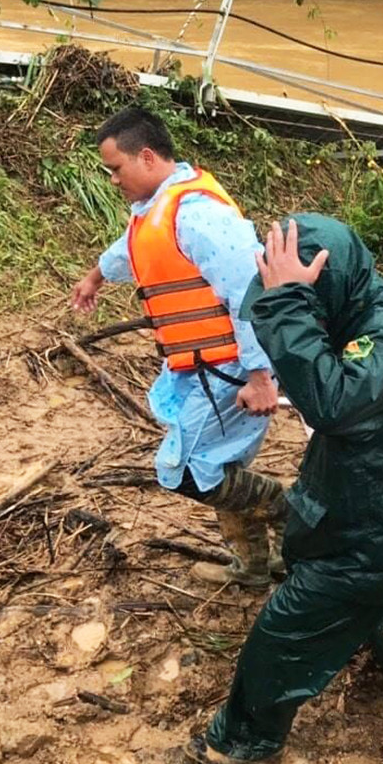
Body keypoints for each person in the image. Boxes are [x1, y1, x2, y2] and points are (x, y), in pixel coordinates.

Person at [185, 214, 383, 764]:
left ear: (323, 278)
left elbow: (332, 402)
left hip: (376, 533)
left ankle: (244, 738)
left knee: (284, 630)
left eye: (298, 293)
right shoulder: (358, 306)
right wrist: (290, 300)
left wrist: (288, 302)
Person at [69, 107, 286, 588]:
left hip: (231, 368)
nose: (111, 179)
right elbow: (130, 249)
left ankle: (295, 520)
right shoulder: (157, 209)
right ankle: (253, 567)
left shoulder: (201, 215)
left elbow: (249, 292)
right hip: (201, 368)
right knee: (221, 467)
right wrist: (95, 278)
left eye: (115, 169)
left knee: (188, 472)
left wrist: (259, 375)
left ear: (146, 157)